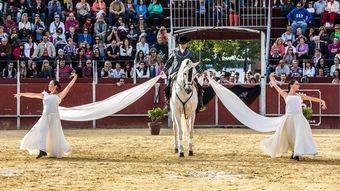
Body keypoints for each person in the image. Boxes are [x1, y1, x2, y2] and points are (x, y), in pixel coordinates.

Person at [262, 72, 327, 161]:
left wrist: (322, 101)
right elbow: (276, 86)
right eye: (297, 84)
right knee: (290, 136)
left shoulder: (300, 96)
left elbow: (312, 98)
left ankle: (296, 154)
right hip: (288, 119)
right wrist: (270, 77)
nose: (298, 85)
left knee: (298, 135)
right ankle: (294, 152)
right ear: (292, 85)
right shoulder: (285, 94)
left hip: (299, 119)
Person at [18, 73, 78, 159]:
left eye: (50, 84)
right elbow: (33, 95)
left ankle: (52, 150)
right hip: (45, 116)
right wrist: (22, 94)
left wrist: (75, 77)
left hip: (54, 117)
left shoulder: (59, 95)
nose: (48, 85)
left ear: (55, 86)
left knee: (54, 134)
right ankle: (42, 150)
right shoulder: (45, 95)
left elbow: (69, 86)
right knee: (42, 132)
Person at [163, 35, 205, 112]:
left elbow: (195, 63)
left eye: (184, 43)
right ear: (179, 44)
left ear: (187, 44)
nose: (183, 45)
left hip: (188, 73)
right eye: (181, 44)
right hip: (176, 72)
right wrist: (164, 70)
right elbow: (169, 62)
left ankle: (200, 104)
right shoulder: (174, 51)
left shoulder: (190, 52)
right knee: (168, 86)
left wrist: (200, 71)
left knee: (198, 86)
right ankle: (168, 103)